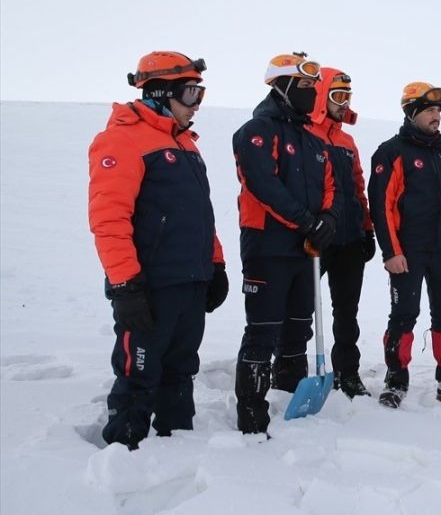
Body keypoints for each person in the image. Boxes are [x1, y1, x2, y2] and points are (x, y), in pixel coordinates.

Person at [89, 51, 227, 448]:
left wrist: (214, 265)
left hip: (190, 280)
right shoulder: (121, 139)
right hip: (149, 286)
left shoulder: (184, 144)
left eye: (199, 93)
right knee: (139, 373)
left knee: (181, 368)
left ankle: (177, 443)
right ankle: (123, 453)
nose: (196, 103)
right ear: (161, 92)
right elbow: (108, 219)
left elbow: (200, 214)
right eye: (190, 93)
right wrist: (125, 285)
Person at [232, 52, 339, 435]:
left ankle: (291, 389)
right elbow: (262, 184)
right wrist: (307, 221)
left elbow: (329, 185)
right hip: (268, 247)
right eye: (306, 86)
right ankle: (252, 410)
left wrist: (327, 219)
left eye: (315, 87)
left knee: (298, 326)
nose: (313, 93)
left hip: (305, 251)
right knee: (262, 329)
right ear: (284, 85)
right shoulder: (257, 130)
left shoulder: (312, 140)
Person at [368, 81, 441, 408]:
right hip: (409, 251)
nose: (437, 116)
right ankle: (396, 379)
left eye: (439, 111)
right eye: (431, 110)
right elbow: (382, 206)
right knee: (404, 315)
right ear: (413, 112)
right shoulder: (392, 151)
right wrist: (391, 252)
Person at [307, 67, 377, 399]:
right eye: (337, 96)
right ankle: (290, 368)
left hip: (349, 238)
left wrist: (367, 229)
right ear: (321, 97)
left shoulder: (347, 141)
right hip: (318, 237)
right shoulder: (306, 132)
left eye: (347, 96)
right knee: (303, 306)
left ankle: (347, 372)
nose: (343, 102)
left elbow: (358, 187)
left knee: (347, 310)